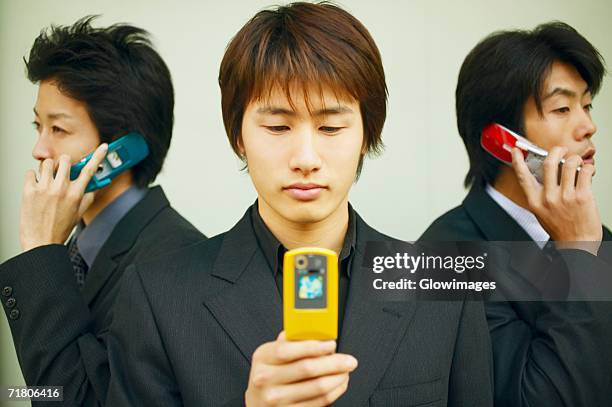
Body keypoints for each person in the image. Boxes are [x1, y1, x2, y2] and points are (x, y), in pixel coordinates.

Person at [106, 3, 493, 406]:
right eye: (277, 126)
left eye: (330, 127)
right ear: (238, 135)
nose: (305, 158)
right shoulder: (159, 296)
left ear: (366, 133)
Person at [0, 16, 205, 406]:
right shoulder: (75, 250)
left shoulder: (177, 262)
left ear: (119, 153)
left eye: (58, 130)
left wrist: (40, 252)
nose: (39, 150)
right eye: (37, 126)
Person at [420, 22, 612, 406]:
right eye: (562, 108)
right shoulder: (442, 256)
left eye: (586, 105)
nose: (588, 126)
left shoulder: (597, 236)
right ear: (502, 140)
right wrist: (577, 254)